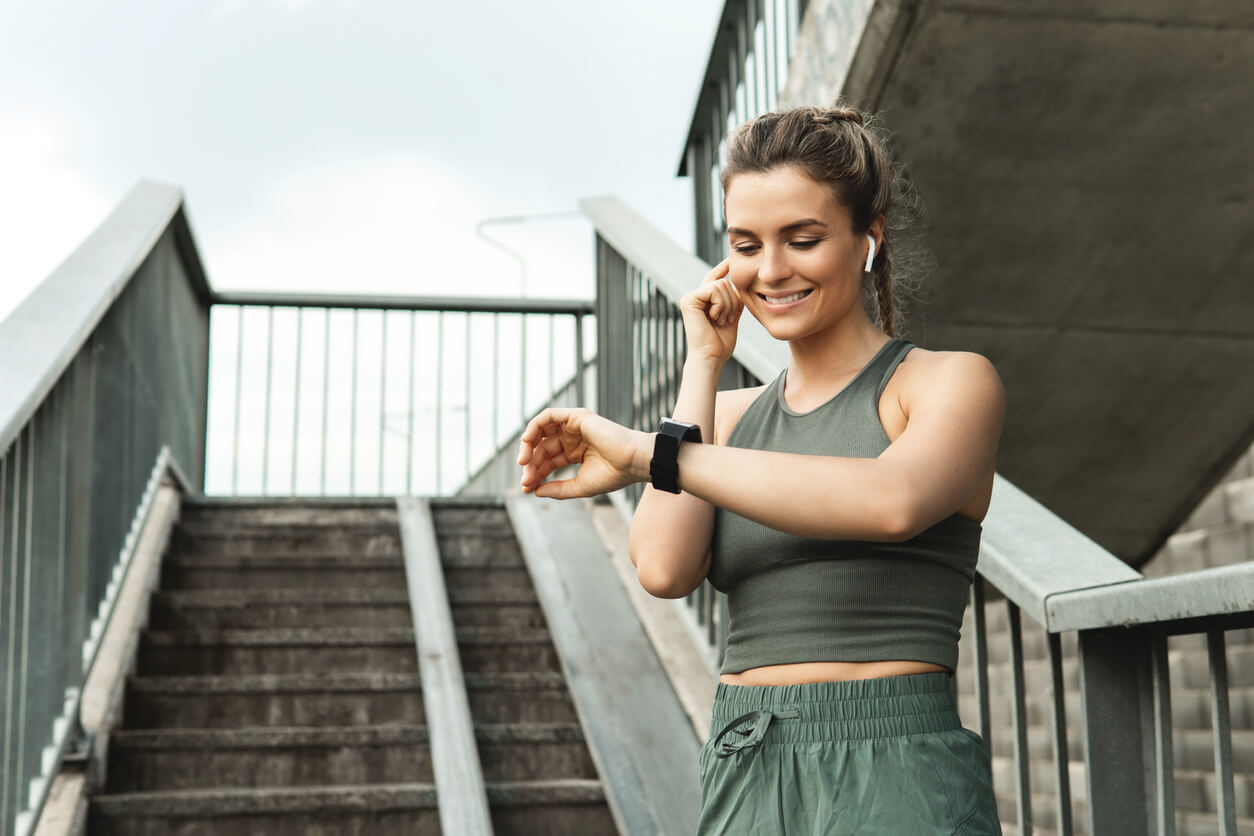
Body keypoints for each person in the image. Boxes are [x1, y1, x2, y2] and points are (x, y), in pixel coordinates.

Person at [517, 102, 1004, 835]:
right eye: (746, 244)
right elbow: (661, 566)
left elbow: (890, 500)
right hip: (746, 757)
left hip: (894, 763)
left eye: (801, 239)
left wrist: (651, 454)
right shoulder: (728, 424)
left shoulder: (945, 383)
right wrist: (703, 367)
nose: (770, 271)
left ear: (866, 240)